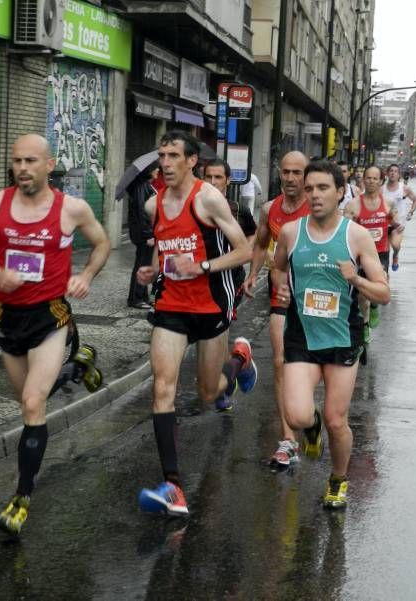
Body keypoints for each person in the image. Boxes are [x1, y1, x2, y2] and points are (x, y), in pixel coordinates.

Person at [0, 134, 110, 536]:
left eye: (31, 161)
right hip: (6, 318)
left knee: (32, 403)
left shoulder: (72, 209)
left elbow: (101, 244)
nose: (22, 168)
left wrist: (85, 275)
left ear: (49, 165)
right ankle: (78, 369)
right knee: (30, 402)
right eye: (16, 161)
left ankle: (22, 496)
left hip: (50, 317)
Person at [135, 131, 256, 516]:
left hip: (211, 305)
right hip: (171, 306)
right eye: (161, 155)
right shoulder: (154, 205)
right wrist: (151, 271)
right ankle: (173, 486)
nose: (165, 163)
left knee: (208, 392)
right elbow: (161, 247)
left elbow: (245, 250)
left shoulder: (208, 198)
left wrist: (201, 266)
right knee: (162, 388)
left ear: (191, 161)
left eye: (173, 156)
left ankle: (239, 361)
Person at [272, 160, 390, 509]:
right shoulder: (292, 233)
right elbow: (278, 266)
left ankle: (338, 479)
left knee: (338, 421)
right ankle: (311, 427)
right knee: (295, 415)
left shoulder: (356, 236)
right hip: (302, 336)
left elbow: (383, 293)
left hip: (341, 337)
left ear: (340, 192)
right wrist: (281, 290)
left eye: (322, 188)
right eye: (309, 189)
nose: (314, 195)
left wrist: (355, 279)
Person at [242, 151, 311, 468]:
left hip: (313, 300)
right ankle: (288, 440)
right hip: (280, 294)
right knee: (282, 362)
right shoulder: (270, 208)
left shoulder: (319, 209)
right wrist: (253, 273)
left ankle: (308, 414)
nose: (291, 178)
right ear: (279, 173)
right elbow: (259, 243)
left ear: (306, 175)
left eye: (298, 172)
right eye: (286, 172)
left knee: (311, 367)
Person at [343, 165, 398, 340]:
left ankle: (374, 307)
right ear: (363, 180)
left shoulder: (389, 203)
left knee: (378, 289)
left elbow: (395, 224)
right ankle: (365, 324)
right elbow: (345, 230)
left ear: (381, 181)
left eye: (375, 178)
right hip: (360, 254)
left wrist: (397, 233)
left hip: (380, 253)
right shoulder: (353, 204)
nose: (371, 181)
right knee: (361, 293)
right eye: (368, 177)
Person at [203, 158, 257, 339]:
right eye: (208, 176)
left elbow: (252, 234)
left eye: (218, 177)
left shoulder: (239, 210)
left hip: (231, 278)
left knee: (219, 329)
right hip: (201, 276)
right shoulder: (193, 208)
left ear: (227, 180)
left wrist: (243, 253)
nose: (212, 182)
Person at [127, 162, 158, 310]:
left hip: (147, 233)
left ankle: (143, 296)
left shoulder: (147, 185)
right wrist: (148, 234)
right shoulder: (142, 187)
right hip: (144, 234)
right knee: (142, 264)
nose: (158, 170)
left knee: (145, 263)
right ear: (149, 171)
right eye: (155, 168)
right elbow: (142, 212)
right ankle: (136, 298)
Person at [382, 164, 416, 272]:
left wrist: (411, 212)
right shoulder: (381, 189)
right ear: (387, 173)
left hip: (398, 224)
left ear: (399, 174)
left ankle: (396, 255)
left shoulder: (404, 188)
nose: (393, 173)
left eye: (395, 171)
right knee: (383, 250)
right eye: (391, 171)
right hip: (383, 223)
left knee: (395, 245)